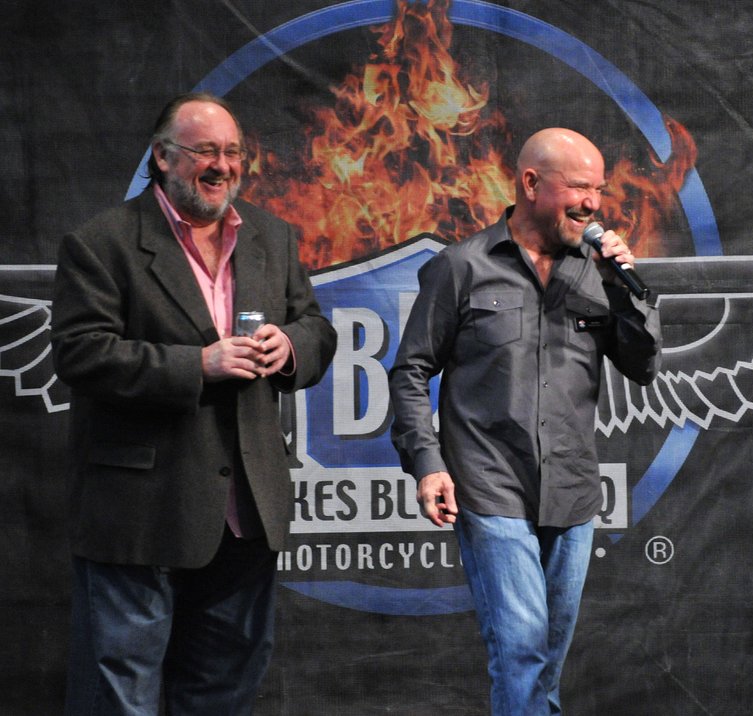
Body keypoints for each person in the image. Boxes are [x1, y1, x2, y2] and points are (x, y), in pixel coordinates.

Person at [51, 92, 337, 715]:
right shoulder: (102, 242)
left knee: (225, 684)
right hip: (141, 511)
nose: (222, 165)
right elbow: (80, 354)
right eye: (204, 150)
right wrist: (196, 365)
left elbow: (316, 329)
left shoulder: (272, 236)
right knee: (121, 690)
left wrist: (289, 345)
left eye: (233, 152)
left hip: (246, 510)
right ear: (161, 157)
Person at [388, 128, 661, 715]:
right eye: (580, 187)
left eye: (598, 190)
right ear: (531, 183)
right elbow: (409, 372)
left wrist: (624, 290)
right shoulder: (461, 267)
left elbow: (643, 366)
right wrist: (427, 464)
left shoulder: (598, 272)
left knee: (546, 662)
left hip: (572, 492)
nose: (592, 203)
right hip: (490, 487)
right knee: (521, 653)